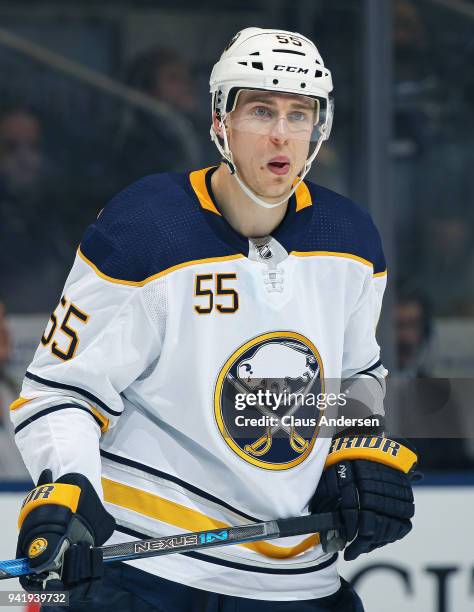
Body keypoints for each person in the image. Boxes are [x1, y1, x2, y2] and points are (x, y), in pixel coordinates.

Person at [10, 28, 418, 611]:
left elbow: (356, 374)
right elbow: (59, 390)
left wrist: (357, 449)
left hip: (303, 579)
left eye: (299, 114)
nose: (281, 133)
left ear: (319, 129)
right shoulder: (145, 230)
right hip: (152, 571)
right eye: (260, 109)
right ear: (220, 122)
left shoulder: (350, 239)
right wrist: (66, 491)